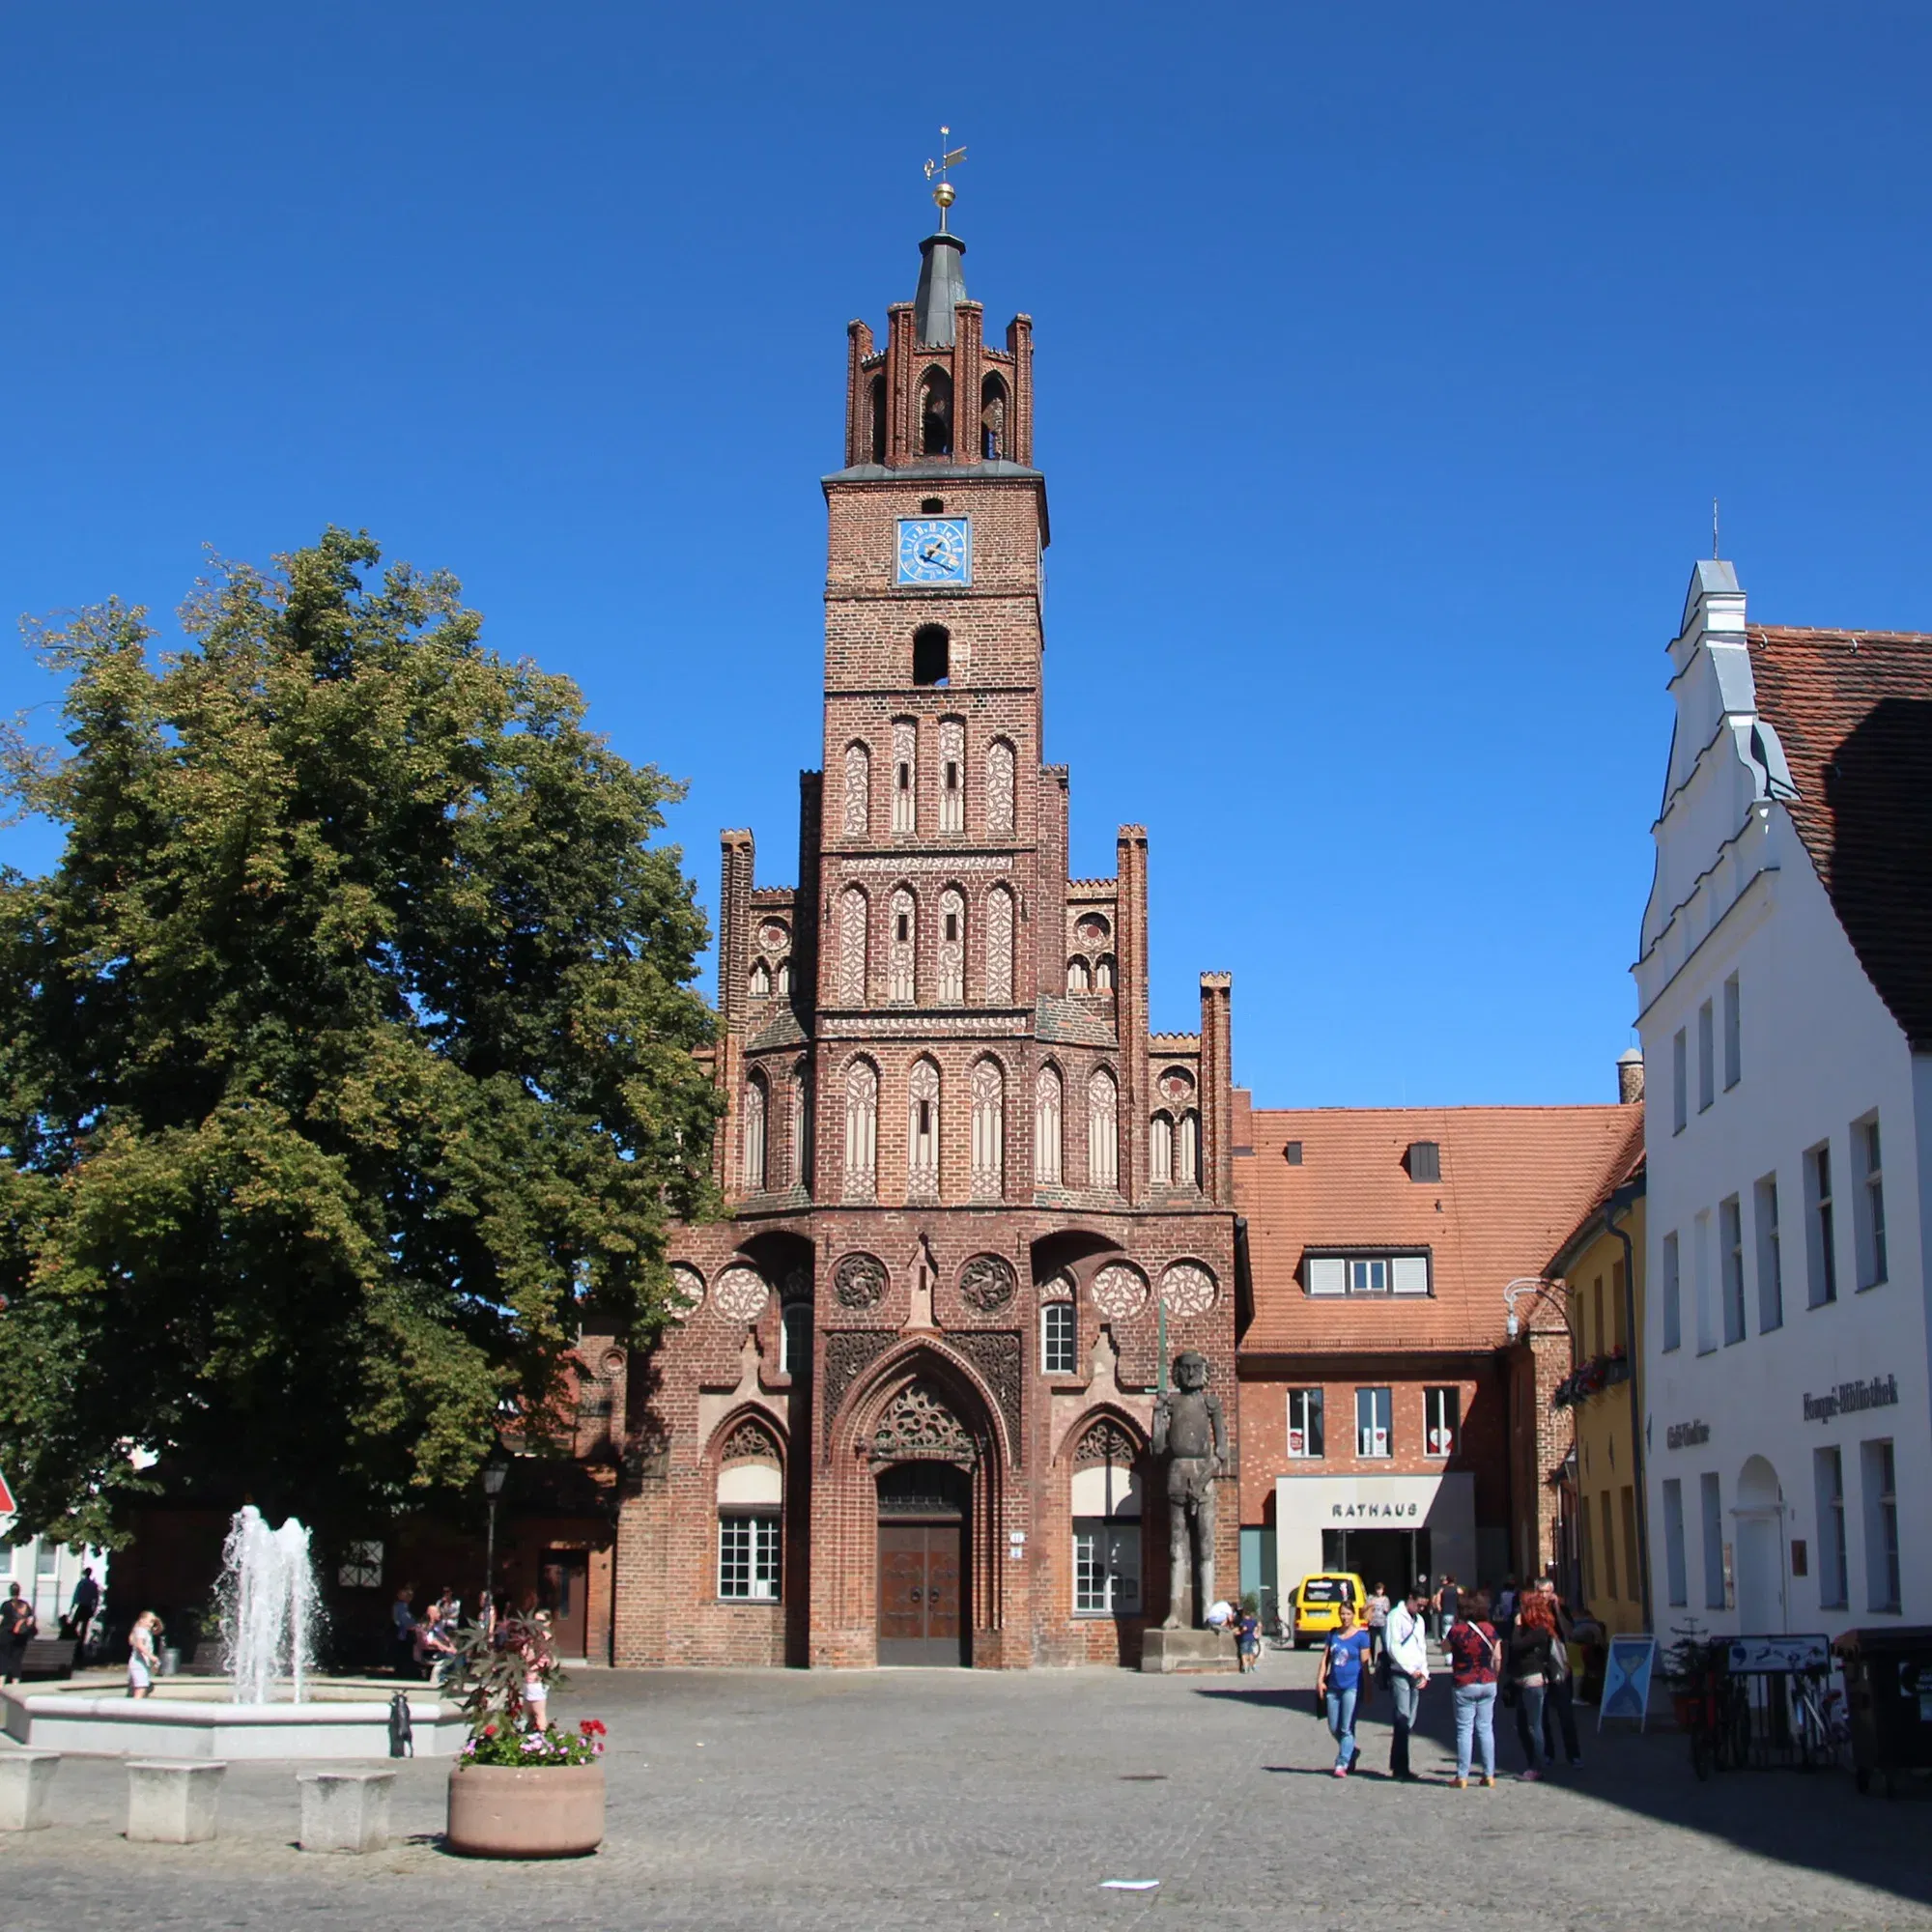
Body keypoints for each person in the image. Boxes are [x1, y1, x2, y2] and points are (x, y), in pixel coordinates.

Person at [1444, 1589, 1501, 1787]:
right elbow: (1498, 1656)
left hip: (1464, 1681)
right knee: (1486, 1728)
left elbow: (1444, 1648)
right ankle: (1489, 1774)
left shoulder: (1457, 1631)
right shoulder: (1489, 1629)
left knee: (1464, 1730)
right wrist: (1495, 1677)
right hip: (1487, 1681)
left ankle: (1462, 1776)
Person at [1315, 1599, 1374, 1777]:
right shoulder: (1333, 1634)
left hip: (1352, 1686)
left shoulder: (1361, 1636)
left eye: (1348, 1614)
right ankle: (1351, 1750)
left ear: (1353, 1615)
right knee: (1334, 1726)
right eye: (1342, 1614)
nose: (1344, 1617)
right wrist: (1320, 1680)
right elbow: (1326, 1659)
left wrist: (1368, 1688)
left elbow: (1365, 1665)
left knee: (1346, 1727)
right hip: (1334, 1685)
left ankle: (1342, 1763)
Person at [1526, 1579, 1582, 1767]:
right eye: (1541, 1592)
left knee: (1565, 1712)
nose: (1544, 1596)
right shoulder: (1530, 1610)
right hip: (1539, 1665)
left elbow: (1568, 1631)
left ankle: (1573, 1755)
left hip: (1558, 1665)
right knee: (1542, 1713)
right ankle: (1548, 1753)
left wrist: (1557, 1608)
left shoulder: (1560, 1609)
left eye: (1547, 1592)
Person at [1384, 1579, 1432, 1781]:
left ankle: (1397, 1763)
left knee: (1409, 1721)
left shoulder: (1419, 1620)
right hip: (1400, 1673)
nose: (1420, 1609)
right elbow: (1392, 1647)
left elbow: (1422, 1648)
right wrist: (1411, 1670)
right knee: (1402, 1718)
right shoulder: (1396, 1616)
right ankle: (1401, 1768)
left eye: (1423, 1606)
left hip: (1416, 1674)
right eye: (1418, 1605)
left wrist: (1425, 1672)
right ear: (1410, 1599)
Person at [1506, 1595, 1555, 1780]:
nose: (1519, 1611)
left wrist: (1517, 1626)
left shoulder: (1540, 1630)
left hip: (1533, 1681)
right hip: (1521, 1680)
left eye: (1522, 1607)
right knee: (1521, 1726)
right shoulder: (1530, 1629)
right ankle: (1532, 1763)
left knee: (1533, 1725)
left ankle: (1537, 1766)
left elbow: (1516, 1644)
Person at [1, 1580, 37, 1684]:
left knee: (3, 1659)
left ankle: (1, 1684)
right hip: (21, 1637)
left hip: (5, 1636)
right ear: (19, 1592)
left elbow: (0, 1619)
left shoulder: (6, 1605)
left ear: (10, 1592)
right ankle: (16, 1684)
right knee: (17, 1660)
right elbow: (30, 1621)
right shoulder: (24, 1605)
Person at [128, 1610, 161, 1699]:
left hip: (141, 1663)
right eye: (150, 1621)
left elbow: (159, 1630)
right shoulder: (141, 1630)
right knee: (141, 1688)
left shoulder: (144, 1631)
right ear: (142, 1620)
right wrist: (152, 1657)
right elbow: (140, 1645)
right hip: (139, 1664)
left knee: (140, 1687)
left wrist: (157, 1621)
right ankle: (135, 1709)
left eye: (153, 1622)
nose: (152, 1624)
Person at [69, 1566, 101, 1645]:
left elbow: (76, 1596)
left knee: (74, 1623)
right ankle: (81, 1641)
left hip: (81, 1606)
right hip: (88, 1607)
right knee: (85, 1626)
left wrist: (72, 1607)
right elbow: (96, 1598)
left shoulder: (81, 1583)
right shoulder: (93, 1585)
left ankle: (71, 1638)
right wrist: (94, 1609)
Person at [391, 1585, 416, 1673]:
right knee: (402, 1651)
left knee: (406, 1651)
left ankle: (406, 1668)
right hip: (402, 1631)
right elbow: (400, 1619)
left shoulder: (406, 1606)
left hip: (407, 1631)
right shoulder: (399, 1606)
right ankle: (401, 1669)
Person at [1364, 1581, 1390, 1663]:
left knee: (1384, 1641)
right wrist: (1370, 1605)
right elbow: (1365, 1607)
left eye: (1381, 1590)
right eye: (1378, 1589)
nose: (1379, 1591)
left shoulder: (1385, 1599)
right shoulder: (1371, 1598)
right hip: (1373, 1622)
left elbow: (1387, 1610)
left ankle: (1385, 1659)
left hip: (1382, 1622)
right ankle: (1373, 1660)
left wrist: (1384, 1608)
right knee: (1372, 1642)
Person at [1236, 1605, 1261, 1673]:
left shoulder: (1243, 1621)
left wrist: (1239, 1632)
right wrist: (1257, 1634)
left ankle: (1245, 1667)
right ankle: (1252, 1666)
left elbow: (1244, 1628)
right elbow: (1257, 1627)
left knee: (1244, 1653)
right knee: (1251, 1652)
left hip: (1245, 1638)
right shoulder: (1253, 1621)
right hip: (1252, 1638)